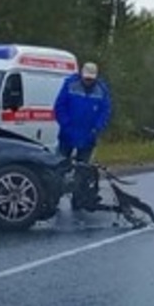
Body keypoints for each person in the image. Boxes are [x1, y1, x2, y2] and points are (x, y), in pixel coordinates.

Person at [53, 62, 112, 209]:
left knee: (83, 170)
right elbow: (59, 106)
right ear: (81, 75)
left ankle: (78, 198)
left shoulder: (101, 90)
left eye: (91, 79)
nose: (88, 81)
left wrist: (97, 128)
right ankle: (54, 197)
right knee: (59, 167)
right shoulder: (70, 85)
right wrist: (65, 124)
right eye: (86, 78)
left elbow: (105, 111)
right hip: (67, 134)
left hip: (88, 137)